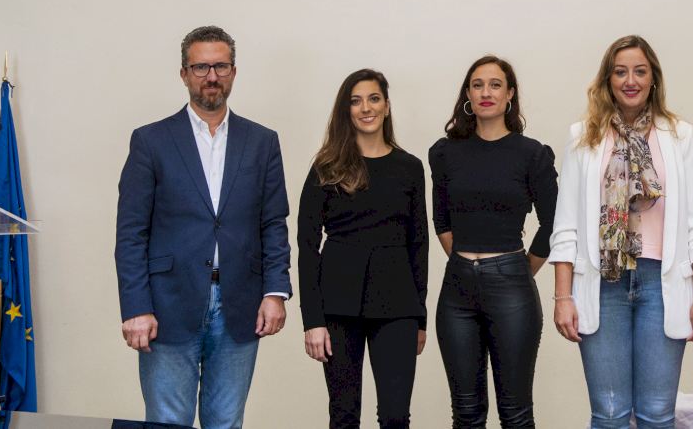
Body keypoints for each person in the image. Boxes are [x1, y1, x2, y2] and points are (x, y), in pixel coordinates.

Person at [115, 26, 291, 429]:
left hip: (240, 305)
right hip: (167, 305)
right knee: (167, 423)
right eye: (201, 67)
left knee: (226, 423)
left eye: (220, 66)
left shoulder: (262, 141)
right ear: (184, 73)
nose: (211, 76)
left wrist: (275, 291)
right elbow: (131, 233)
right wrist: (136, 307)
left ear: (233, 72)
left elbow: (273, 222)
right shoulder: (151, 141)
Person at [550, 35, 693, 429]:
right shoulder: (583, 136)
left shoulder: (679, 135)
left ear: (653, 78)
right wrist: (563, 296)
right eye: (620, 72)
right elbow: (565, 225)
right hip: (602, 285)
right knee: (609, 415)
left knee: (657, 414)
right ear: (607, 80)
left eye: (640, 71)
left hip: (661, 285)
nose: (630, 80)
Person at [429, 54, 558, 428]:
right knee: (466, 414)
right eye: (478, 85)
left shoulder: (531, 154)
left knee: (515, 413)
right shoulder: (445, 152)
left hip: (512, 286)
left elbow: (553, 224)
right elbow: (442, 220)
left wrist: (516, 268)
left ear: (510, 94)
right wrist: (467, 263)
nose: (486, 92)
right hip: (457, 291)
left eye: (495, 84)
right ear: (468, 94)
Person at [297, 69, 428, 429]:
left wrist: (419, 317)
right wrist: (313, 321)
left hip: (398, 305)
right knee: (343, 415)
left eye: (373, 99)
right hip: (338, 304)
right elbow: (307, 246)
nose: (365, 108)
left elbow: (419, 244)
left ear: (387, 106)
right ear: (346, 110)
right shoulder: (327, 167)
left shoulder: (410, 168)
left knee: (395, 417)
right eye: (355, 101)